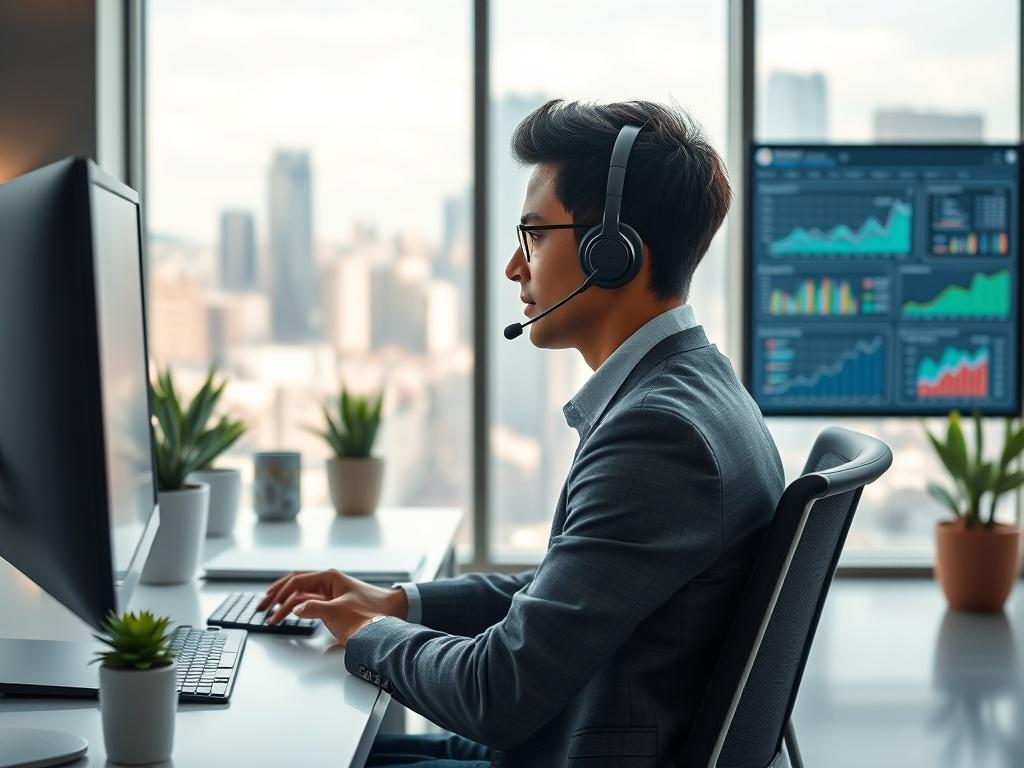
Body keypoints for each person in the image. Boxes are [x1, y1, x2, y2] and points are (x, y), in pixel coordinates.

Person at [258, 99, 785, 767]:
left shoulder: (659, 434)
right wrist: (399, 602)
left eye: (534, 235)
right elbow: (564, 593)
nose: (514, 266)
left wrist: (370, 633)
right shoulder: (697, 387)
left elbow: (497, 693)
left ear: (612, 252)